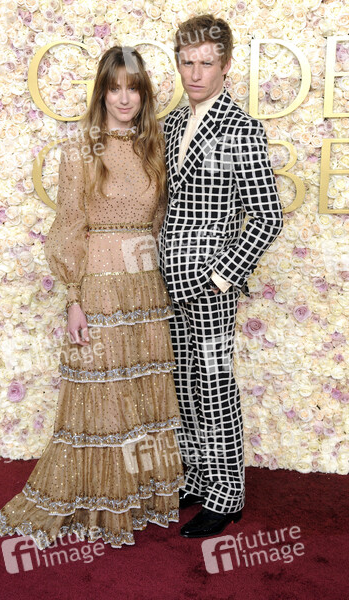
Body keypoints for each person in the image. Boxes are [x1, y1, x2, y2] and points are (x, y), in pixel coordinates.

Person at [0, 46, 184, 549]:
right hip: (99, 286)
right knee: (101, 396)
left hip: (147, 288)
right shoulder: (81, 150)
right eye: (114, 88)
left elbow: (162, 223)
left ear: (144, 94)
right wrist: (74, 298)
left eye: (133, 88)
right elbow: (69, 226)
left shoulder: (155, 147)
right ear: (101, 93)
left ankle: (140, 494)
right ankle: (99, 500)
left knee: (141, 395)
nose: (124, 98)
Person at [158, 15, 284, 538]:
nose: (195, 73)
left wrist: (221, 277)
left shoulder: (241, 128)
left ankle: (227, 494)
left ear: (226, 65)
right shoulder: (169, 125)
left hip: (211, 286)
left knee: (213, 386)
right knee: (184, 384)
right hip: (168, 281)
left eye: (206, 63)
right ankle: (198, 477)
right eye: (187, 62)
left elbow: (268, 217)